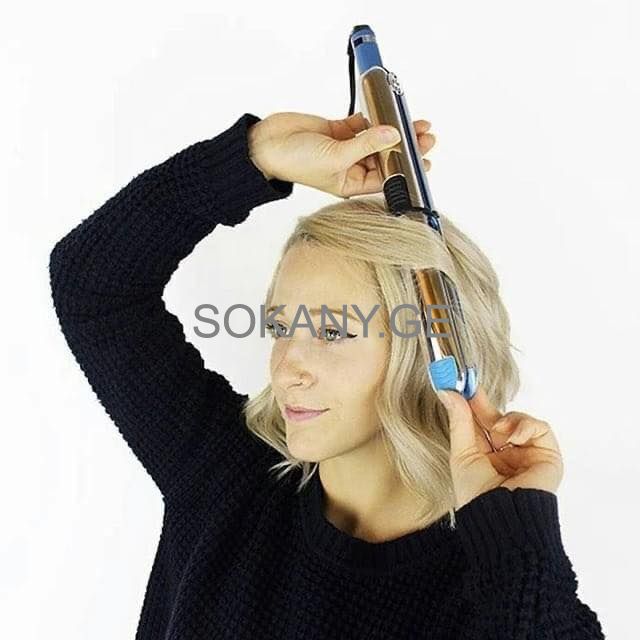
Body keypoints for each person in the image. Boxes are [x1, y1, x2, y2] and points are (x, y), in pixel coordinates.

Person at [48, 110, 605, 638]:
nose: (286, 369)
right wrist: (255, 156)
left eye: (333, 332)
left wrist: (514, 533)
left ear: (435, 351)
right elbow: (93, 284)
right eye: (280, 326)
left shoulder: (493, 586)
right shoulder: (226, 477)